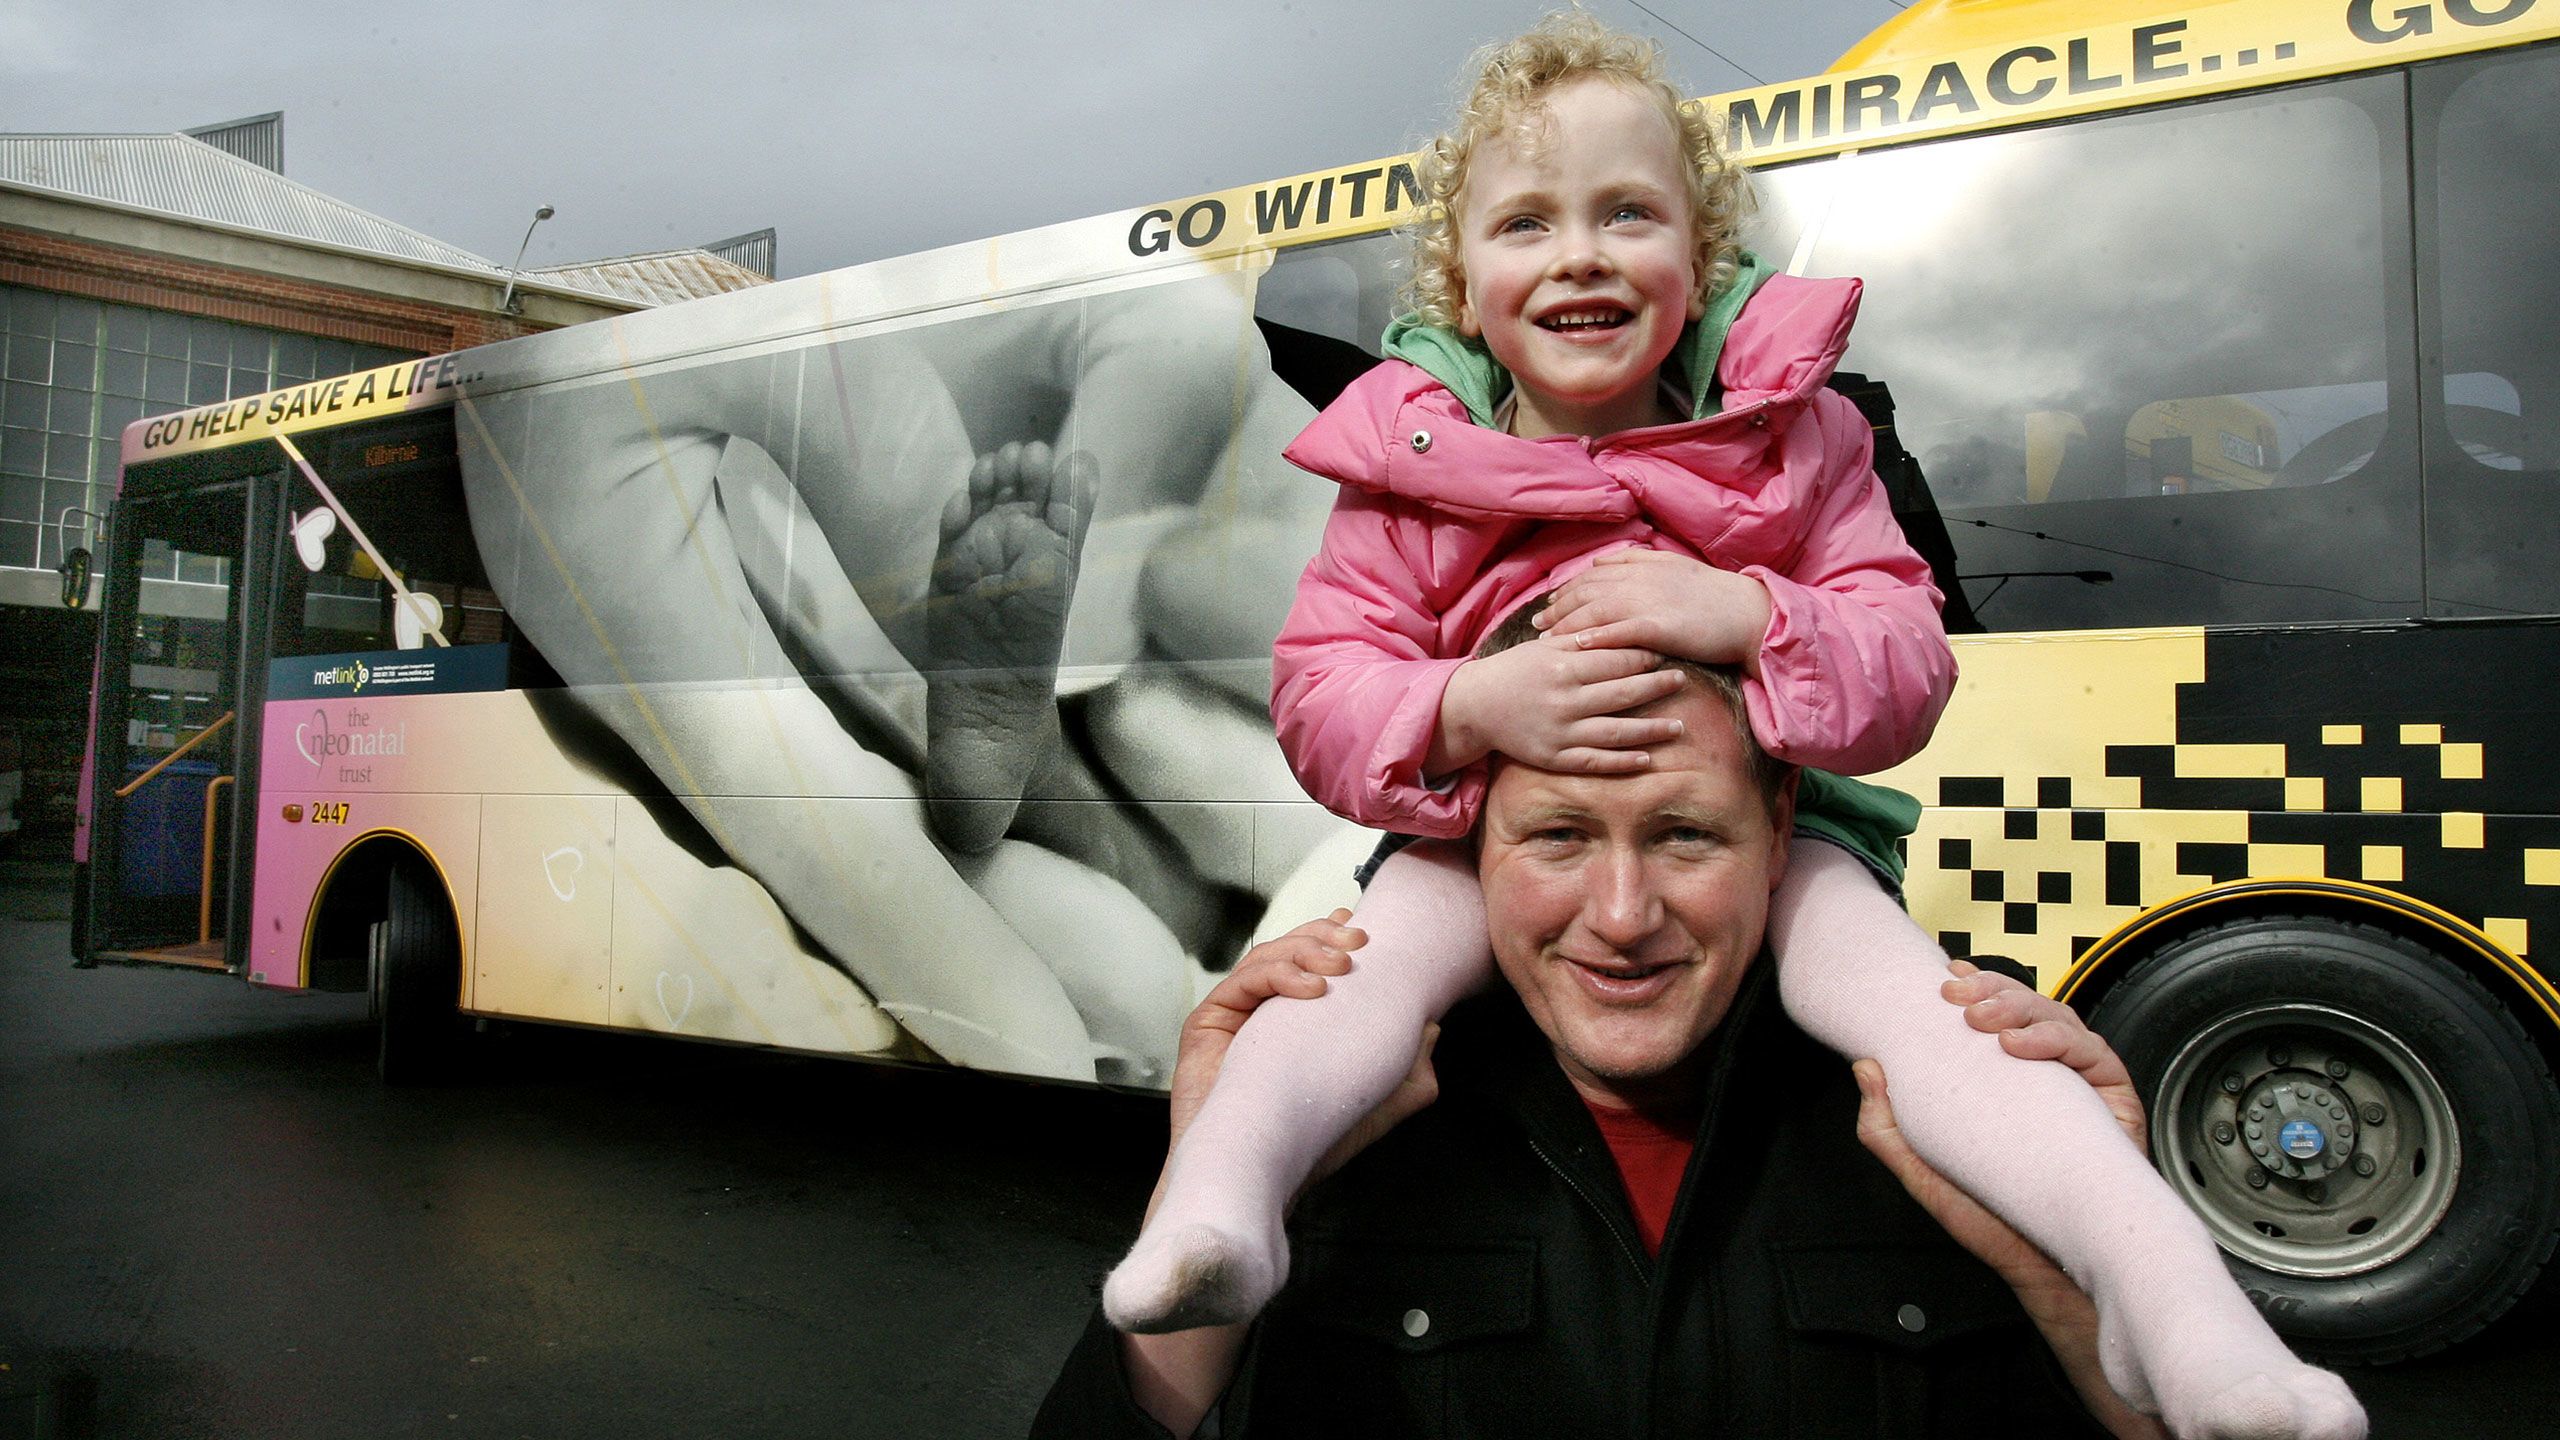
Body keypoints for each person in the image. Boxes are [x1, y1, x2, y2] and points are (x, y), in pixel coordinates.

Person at [1100, 14, 2364, 1439]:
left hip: (1798, 838)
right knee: (1340, 991)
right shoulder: (1405, 475)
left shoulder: (1798, 438)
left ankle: (2180, 1320)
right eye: (1526, 222)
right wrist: (1465, 702)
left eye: (1627, 213)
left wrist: (1748, 614)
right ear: (1464, 281)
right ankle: (1218, 1213)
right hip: (1471, 842)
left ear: (1698, 256)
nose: (1580, 253)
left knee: (1939, 1032)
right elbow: (1320, 690)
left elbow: (1906, 657)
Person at [1041, 665, 2166, 1436]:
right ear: (1470, 845)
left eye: (1684, 835)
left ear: (1780, 831)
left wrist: (2078, 1271)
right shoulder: (1345, 1120)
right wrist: (1212, 1177)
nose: (1623, 915)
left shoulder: (1944, 1120)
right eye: (1559, 836)